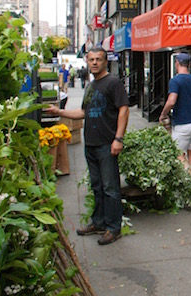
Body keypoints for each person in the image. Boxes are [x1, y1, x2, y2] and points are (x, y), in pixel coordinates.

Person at [46, 47, 129, 246]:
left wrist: (118, 139)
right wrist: (59, 112)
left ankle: (113, 228)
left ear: (105, 61)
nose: (94, 63)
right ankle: (99, 223)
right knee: (97, 186)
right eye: (91, 59)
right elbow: (84, 112)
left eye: (98, 59)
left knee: (110, 188)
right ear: (87, 61)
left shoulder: (113, 83)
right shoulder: (91, 86)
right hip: (90, 144)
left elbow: (123, 110)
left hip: (106, 144)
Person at [159, 53, 191, 175]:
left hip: (183, 123)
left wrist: (163, 114)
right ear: (189, 65)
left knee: (177, 152)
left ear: (177, 64)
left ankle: (188, 179)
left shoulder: (175, 81)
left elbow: (172, 101)